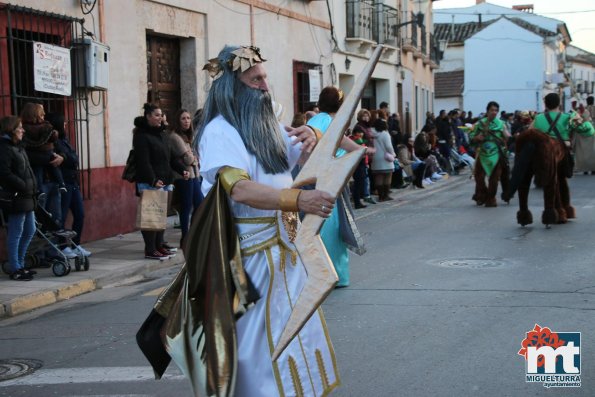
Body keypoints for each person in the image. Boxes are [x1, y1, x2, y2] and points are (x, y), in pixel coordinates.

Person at [194, 45, 351, 396]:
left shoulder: (268, 125)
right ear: (234, 86)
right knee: (257, 346)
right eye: (255, 80)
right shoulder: (220, 131)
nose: (266, 86)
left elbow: (312, 158)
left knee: (297, 335)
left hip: (286, 252)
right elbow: (239, 189)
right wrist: (298, 199)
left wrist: (316, 136)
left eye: (265, 77)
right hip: (250, 259)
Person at [307, 86, 369, 288]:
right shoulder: (332, 123)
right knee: (331, 228)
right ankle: (334, 275)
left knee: (314, 227)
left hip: (311, 182)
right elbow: (354, 150)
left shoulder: (313, 120)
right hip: (329, 183)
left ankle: (316, 274)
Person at [133, 103, 189, 259]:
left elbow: (170, 158)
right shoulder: (141, 136)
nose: (160, 118)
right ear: (148, 116)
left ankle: (159, 245)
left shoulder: (163, 135)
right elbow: (143, 162)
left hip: (166, 180)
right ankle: (150, 249)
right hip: (150, 182)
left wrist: (182, 170)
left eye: (161, 115)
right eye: (156, 115)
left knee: (161, 216)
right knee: (150, 218)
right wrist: (152, 180)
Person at [46, 112, 90, 257]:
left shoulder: (64, 140)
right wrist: (67, 158)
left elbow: (74, 158)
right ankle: (63, 246)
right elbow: (65, 159)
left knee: (80, 214)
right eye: (63, 123)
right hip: (63, 182)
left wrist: (65, 158)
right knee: (61, 217)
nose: (66, 125)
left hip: (73, 182)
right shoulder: (54, 141)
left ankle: (76, 244)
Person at [0, 116, 37, 280]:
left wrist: (33, 186)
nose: (23, 130)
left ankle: (20, 264)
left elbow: (27, 169)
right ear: (11, 129)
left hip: (27, 195)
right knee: (16, 232)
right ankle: (15, 268)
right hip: (16, 196)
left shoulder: (19, 147)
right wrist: (22, 185)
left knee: (30, 230)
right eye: (19, 128)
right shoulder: (5, 148)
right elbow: (5, 173)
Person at [20, 102, 65, 225]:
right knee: (40, 215)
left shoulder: (46, 128)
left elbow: (59, 148)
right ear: (35, 113)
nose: (44, 114)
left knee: (56, 219)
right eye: (41, 111)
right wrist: (48, 158)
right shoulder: (23, 131)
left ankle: (54, 242)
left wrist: (62, 157)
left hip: (52, 181)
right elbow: (26, 156)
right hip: (37, 181)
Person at [166, 108, 203, 247]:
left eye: (188, 118)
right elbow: (189, 159)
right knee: (186, 207)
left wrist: (194, 158)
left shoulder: (189, 137)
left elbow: (194, 157)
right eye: (183, 118)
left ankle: (192, 234)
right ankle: (185, 237)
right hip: (184, 177)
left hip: (194, 175)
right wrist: (194, 158)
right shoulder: (175, 137)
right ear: (178, 121)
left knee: (199, 205)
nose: (187, 121)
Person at [469, 101, 510, 207]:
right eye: (492, 110)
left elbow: (507, 136)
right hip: (482, 153)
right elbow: (471, 136)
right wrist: (477, 138)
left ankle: (491, 198)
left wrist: (514, 137)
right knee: (479, 177)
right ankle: (483, 194)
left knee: (495, 179)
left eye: (496, 110)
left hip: (497, 154)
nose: (494, 112)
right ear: (487, 111)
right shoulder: (479, 124)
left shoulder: (501, 124)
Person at [370, 118, 396, 200]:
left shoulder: (372, 133)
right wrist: (393, 154)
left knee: (378, 177)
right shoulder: (385, 134)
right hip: (385, 157)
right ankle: (386, 195)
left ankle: (380, 196)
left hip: (375, 157)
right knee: (387, 176)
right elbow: (388, 146)